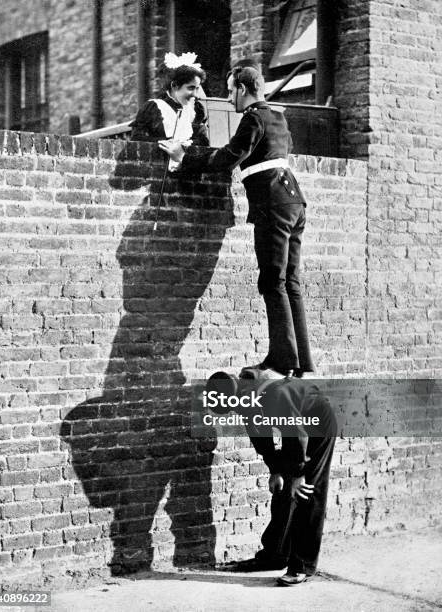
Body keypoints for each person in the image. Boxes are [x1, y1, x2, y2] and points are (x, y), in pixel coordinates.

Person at [159, 60, 313, 378]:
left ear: (242, 89)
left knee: (272, 280)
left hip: (273, 205)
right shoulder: (279, 118)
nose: (230, 99)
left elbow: (231, 156)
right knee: (290, 282)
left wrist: (184, 157)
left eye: (231, 92)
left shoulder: (253, 117)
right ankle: (300, 363)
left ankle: (282, 360)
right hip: (295, 203)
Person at [205, 369, 337, 585]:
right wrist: (275, 469)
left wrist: (298, 474)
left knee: (307, 492)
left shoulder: (275, 394)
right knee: (283, 493)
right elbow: (259, 432)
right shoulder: (244, 395)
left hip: (318, 426)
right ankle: (275, 555)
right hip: (296, 429)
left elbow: (297, 434)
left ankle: (302, 565)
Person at [130, 52, 209, 148]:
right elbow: (137, 140)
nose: (195, 95)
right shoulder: (154, 108)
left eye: (197, 88)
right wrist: (165, 142)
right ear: (174, 86)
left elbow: (203, 143)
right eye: (191, 88)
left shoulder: (195, 111)